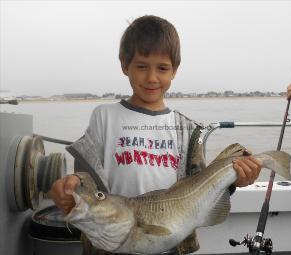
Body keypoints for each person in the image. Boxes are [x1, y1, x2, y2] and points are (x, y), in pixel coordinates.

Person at [51, 15, 263, 255]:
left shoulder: (187, 130)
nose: (152, 77)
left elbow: (201, 185)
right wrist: (72, 188)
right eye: (141, 66)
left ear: (174, 71)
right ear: (124, 65)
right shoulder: (104, 117)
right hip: (110, 246)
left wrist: (234, 181)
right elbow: (84, 179)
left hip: (170, 247)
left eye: (162, 68)